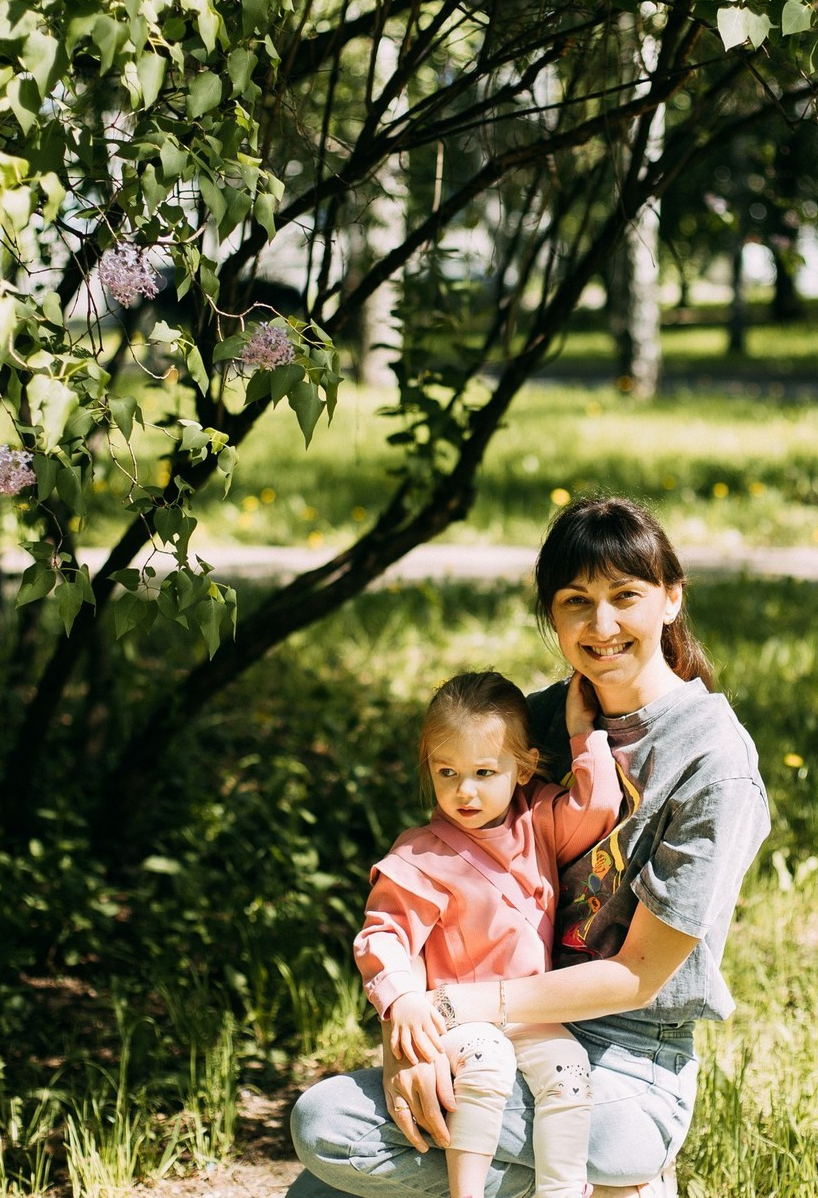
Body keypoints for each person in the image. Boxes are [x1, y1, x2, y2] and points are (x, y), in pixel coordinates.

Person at [289, 496, 770, 1198]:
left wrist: (452, 1010)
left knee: (329, 1123)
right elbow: (443, 873)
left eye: (625, 597)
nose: (601, 625)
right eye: (577, 601)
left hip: (631, 1065)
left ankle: (618, 1181)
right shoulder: (540, 723)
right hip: (501, 1039)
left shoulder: (712, 762)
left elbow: (637, 977)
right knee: (317, 1189)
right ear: (551, 614)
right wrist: (410, 1043)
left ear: (670, 598)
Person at [354, 669, 624, 1198]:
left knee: (570, 1068)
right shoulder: (420, 854)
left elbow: (597, 809)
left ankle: (564, 1190)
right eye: (447, 771)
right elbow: (383, 933)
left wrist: (581, 733)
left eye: (484, 771)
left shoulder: (538, 821)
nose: (465, 790)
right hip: (457, 1018)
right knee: (487, 1063)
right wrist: (403, 999)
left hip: (529, 1011)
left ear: (522, 768)